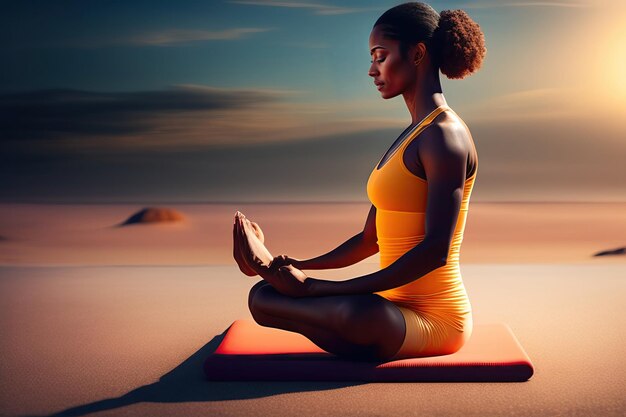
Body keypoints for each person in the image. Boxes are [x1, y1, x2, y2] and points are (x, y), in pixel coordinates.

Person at [234, 1, 486, 362]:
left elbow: (436, 251)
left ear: (417, 54)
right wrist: (294, 268)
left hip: (435, 320)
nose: (372, 70)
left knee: (358, 315)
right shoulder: (410, 137)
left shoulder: (445, 136)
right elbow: (371, 240)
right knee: (262, 296)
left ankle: (339, 316)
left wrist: (318, 290)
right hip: (388, 306)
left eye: (380, 56)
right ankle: (284, 281)